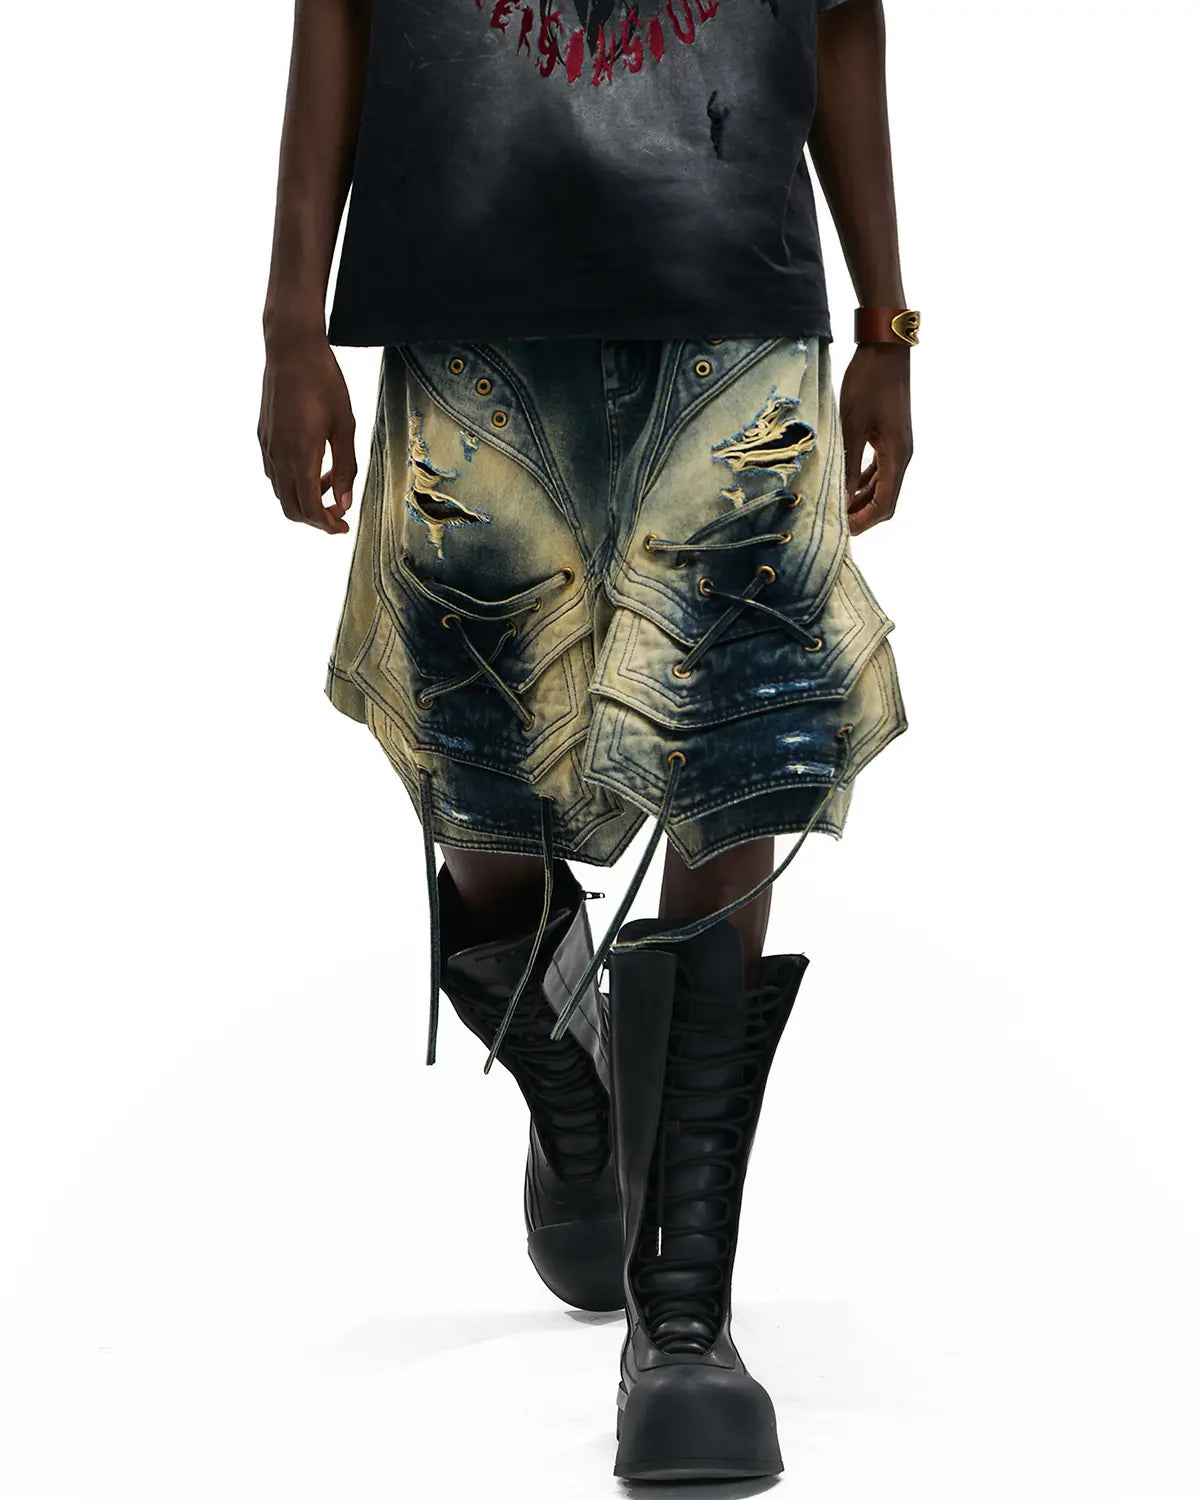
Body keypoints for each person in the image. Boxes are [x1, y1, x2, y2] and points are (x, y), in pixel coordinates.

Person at [258, 0, 913, 1479]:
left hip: (735, 302)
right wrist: (290, 319)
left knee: (738, 753)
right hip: (471, 294)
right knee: (480, 786)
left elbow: (845, 17)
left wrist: (889, 320)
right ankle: (571, 1075)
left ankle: (682, 1312)